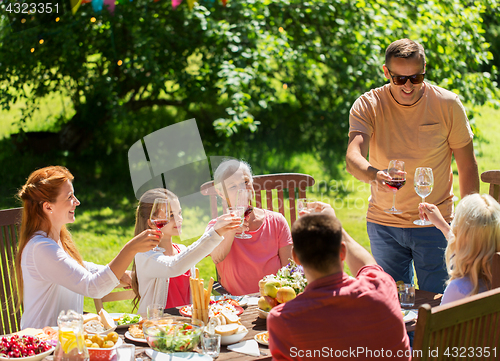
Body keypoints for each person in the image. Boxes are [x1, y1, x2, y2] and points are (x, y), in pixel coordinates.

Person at [346, 38, 479, 293]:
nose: (408, 86)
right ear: (386, 72)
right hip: (384, 223)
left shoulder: (447, 104)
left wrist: (465, 222)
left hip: (436, 223)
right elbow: (353, 157)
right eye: (399, 79)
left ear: (424, 69)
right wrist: (375, 175)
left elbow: (467, 165)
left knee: (440, 302)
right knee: (393, 303)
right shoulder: (368, 104)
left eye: (415, 78)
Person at [15, 166, 162, 328]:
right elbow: (93, 287)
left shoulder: (54, 242)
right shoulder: (41, 248)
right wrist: (130, 249)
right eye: (70, 196)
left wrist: (122, 274)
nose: (77, 202)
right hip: (45, 344)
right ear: (48, 207)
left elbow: (80, 268)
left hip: (67, 338)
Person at [267, 202, 411, 361]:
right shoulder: (381, 285)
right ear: (343, 251)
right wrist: (336, 225)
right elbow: (368, 265)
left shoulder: (285, 319)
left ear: (295, 258)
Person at [131, 188, 241, 315]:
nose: (179, 219)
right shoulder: (144, 255)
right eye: (171, 215)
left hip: (186, 328)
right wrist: (215, 233)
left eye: (179, 213)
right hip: (156, 328)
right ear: (152, 222)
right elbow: (173, 266)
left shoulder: (181, 250)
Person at [206, 159, 293, 295]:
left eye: (245, 182)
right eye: (233, 187)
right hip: (236, 305)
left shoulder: (277, 222)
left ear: (252, 184)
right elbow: (217, 257)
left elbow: (289, 268)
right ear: (221, 193)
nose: (242, 189)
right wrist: (231, 231)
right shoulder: (216, 227)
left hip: (273, 300)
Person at [419, 194, 500, 304]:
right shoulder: (493, 284)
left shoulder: (459, 290)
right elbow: (476, 244)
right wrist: (442, 225)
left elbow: (441, 321)